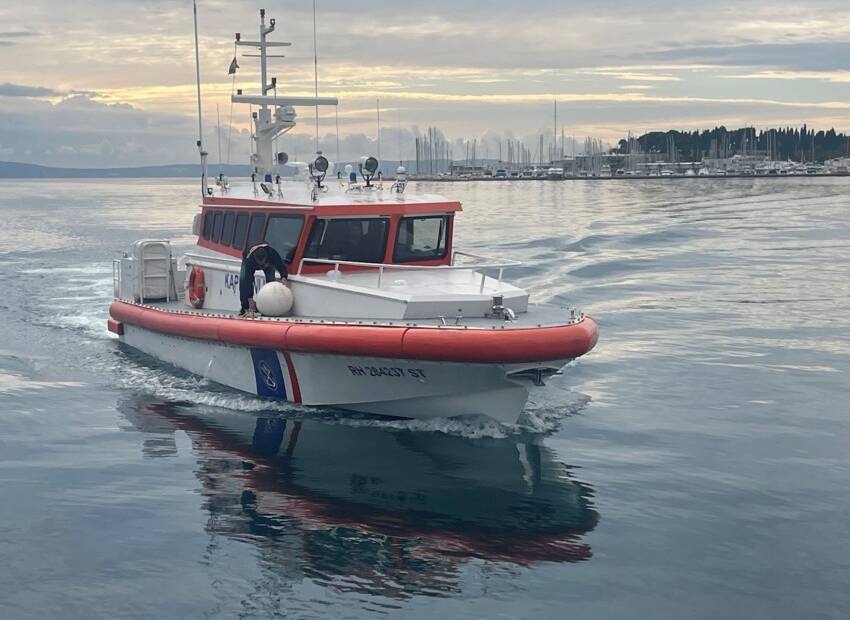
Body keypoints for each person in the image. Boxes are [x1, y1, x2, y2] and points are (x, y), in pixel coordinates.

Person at [239, 242, 288, 317]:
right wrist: (249, 298)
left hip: (268, 264)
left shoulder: (272, 253)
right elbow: (247, 281)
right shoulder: (249, 260)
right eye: (260, 264)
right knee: (243, 281)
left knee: (271, 284)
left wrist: (284, 277)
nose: (261, 266)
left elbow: (281, 266)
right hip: (250, 262)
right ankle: (245, 308)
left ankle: (269, 307)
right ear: (255, 258)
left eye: (262, 263)